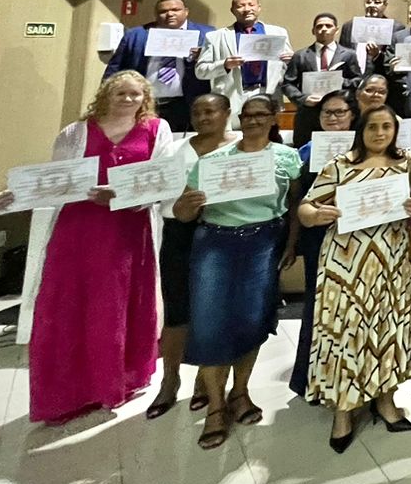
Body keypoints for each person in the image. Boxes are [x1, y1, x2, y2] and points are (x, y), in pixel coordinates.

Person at [0, 71, 175, 423]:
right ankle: (66, 392)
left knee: (115, 308)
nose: (128, 99)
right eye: (121, 93)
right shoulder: (76, 132)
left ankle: (114, 382)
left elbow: (162, 182)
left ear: (145, 98)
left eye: (136, 94)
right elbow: (53, 180)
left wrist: (121, 195)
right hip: (79, 231)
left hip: (126, 230)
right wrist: (13, 197)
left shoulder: (158, 129)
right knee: (68, 306)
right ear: (106, 94)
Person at [298, 104, 411, 450]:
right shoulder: (340, 165)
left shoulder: (408, 164)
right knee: (345, 331)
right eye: (373, 127)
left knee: (388, 328)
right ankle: (344, 408)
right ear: (362, 130)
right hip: (346, 264)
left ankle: (386, 400)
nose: (380, 133)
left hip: (393, 260)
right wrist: (316, 214)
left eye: (387, 126)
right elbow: (306, 207)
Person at [175, 94, 300, 449]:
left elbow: (292, 204)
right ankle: (216, 406)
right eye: (248, 115)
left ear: (274, 119)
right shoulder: (212, 162)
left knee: (252, 320)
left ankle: (240, 392)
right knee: (211, 322)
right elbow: (184, 212)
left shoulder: (287, 158)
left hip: (264, 241)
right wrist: (184, 205)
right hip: (215, 242)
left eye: (262, 115)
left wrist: (291, 244)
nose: (254, 121)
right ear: (238, 119)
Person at [146, 93, 235, 420]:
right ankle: (169, 381)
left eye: (210, 111)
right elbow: (154, 191)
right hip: (179, 234)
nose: (203, 117)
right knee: (177, 312)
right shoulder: (173, 150)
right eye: (197, 112)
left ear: (226, 113)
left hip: (222, 233)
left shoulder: (238, 149)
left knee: (213, 312)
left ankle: (205, 378)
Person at [284, 90, 356, 399]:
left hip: (355, 237)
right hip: (318, 235)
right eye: (328, 113)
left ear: (353, 116)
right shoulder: (307, 150)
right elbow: (296, 197)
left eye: (340, 112)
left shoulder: (365, 147)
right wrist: (293, 242)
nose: (334, 118)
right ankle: (309, 375)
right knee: (317, 304)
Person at [103, 0, 213, 133]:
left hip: (187, 103)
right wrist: (106, 99)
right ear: (156, 14)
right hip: (144, 102)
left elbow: (221, 69)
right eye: (163, 11)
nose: (170, 14)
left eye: (175, 9)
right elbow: (115, 69)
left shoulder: (208, 34)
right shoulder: (136, 35)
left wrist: (204, 57)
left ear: (186, 11)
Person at [194, 0, 292, 126]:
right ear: (233, 10)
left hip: (267, 93)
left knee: (267, 137)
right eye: (240, 6)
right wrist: (225, 65)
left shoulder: (278, 33)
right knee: (232, 139)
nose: (246, 9)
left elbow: (288, 68)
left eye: (251, 5)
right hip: (232, 95)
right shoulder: (215, 37)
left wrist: (290, 60)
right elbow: (201, 71)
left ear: (259, 8)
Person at [282, 12, 360, 145]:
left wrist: (339, 82)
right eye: (319, 26)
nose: (323, 29)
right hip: (308, 114)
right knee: (306, 155)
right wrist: (303, 99)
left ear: (336, 29)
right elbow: (287, 84)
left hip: (339, 116)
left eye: (328, 26)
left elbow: (358, 81)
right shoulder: (300, 55)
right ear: (313, 30)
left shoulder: (349, 55)